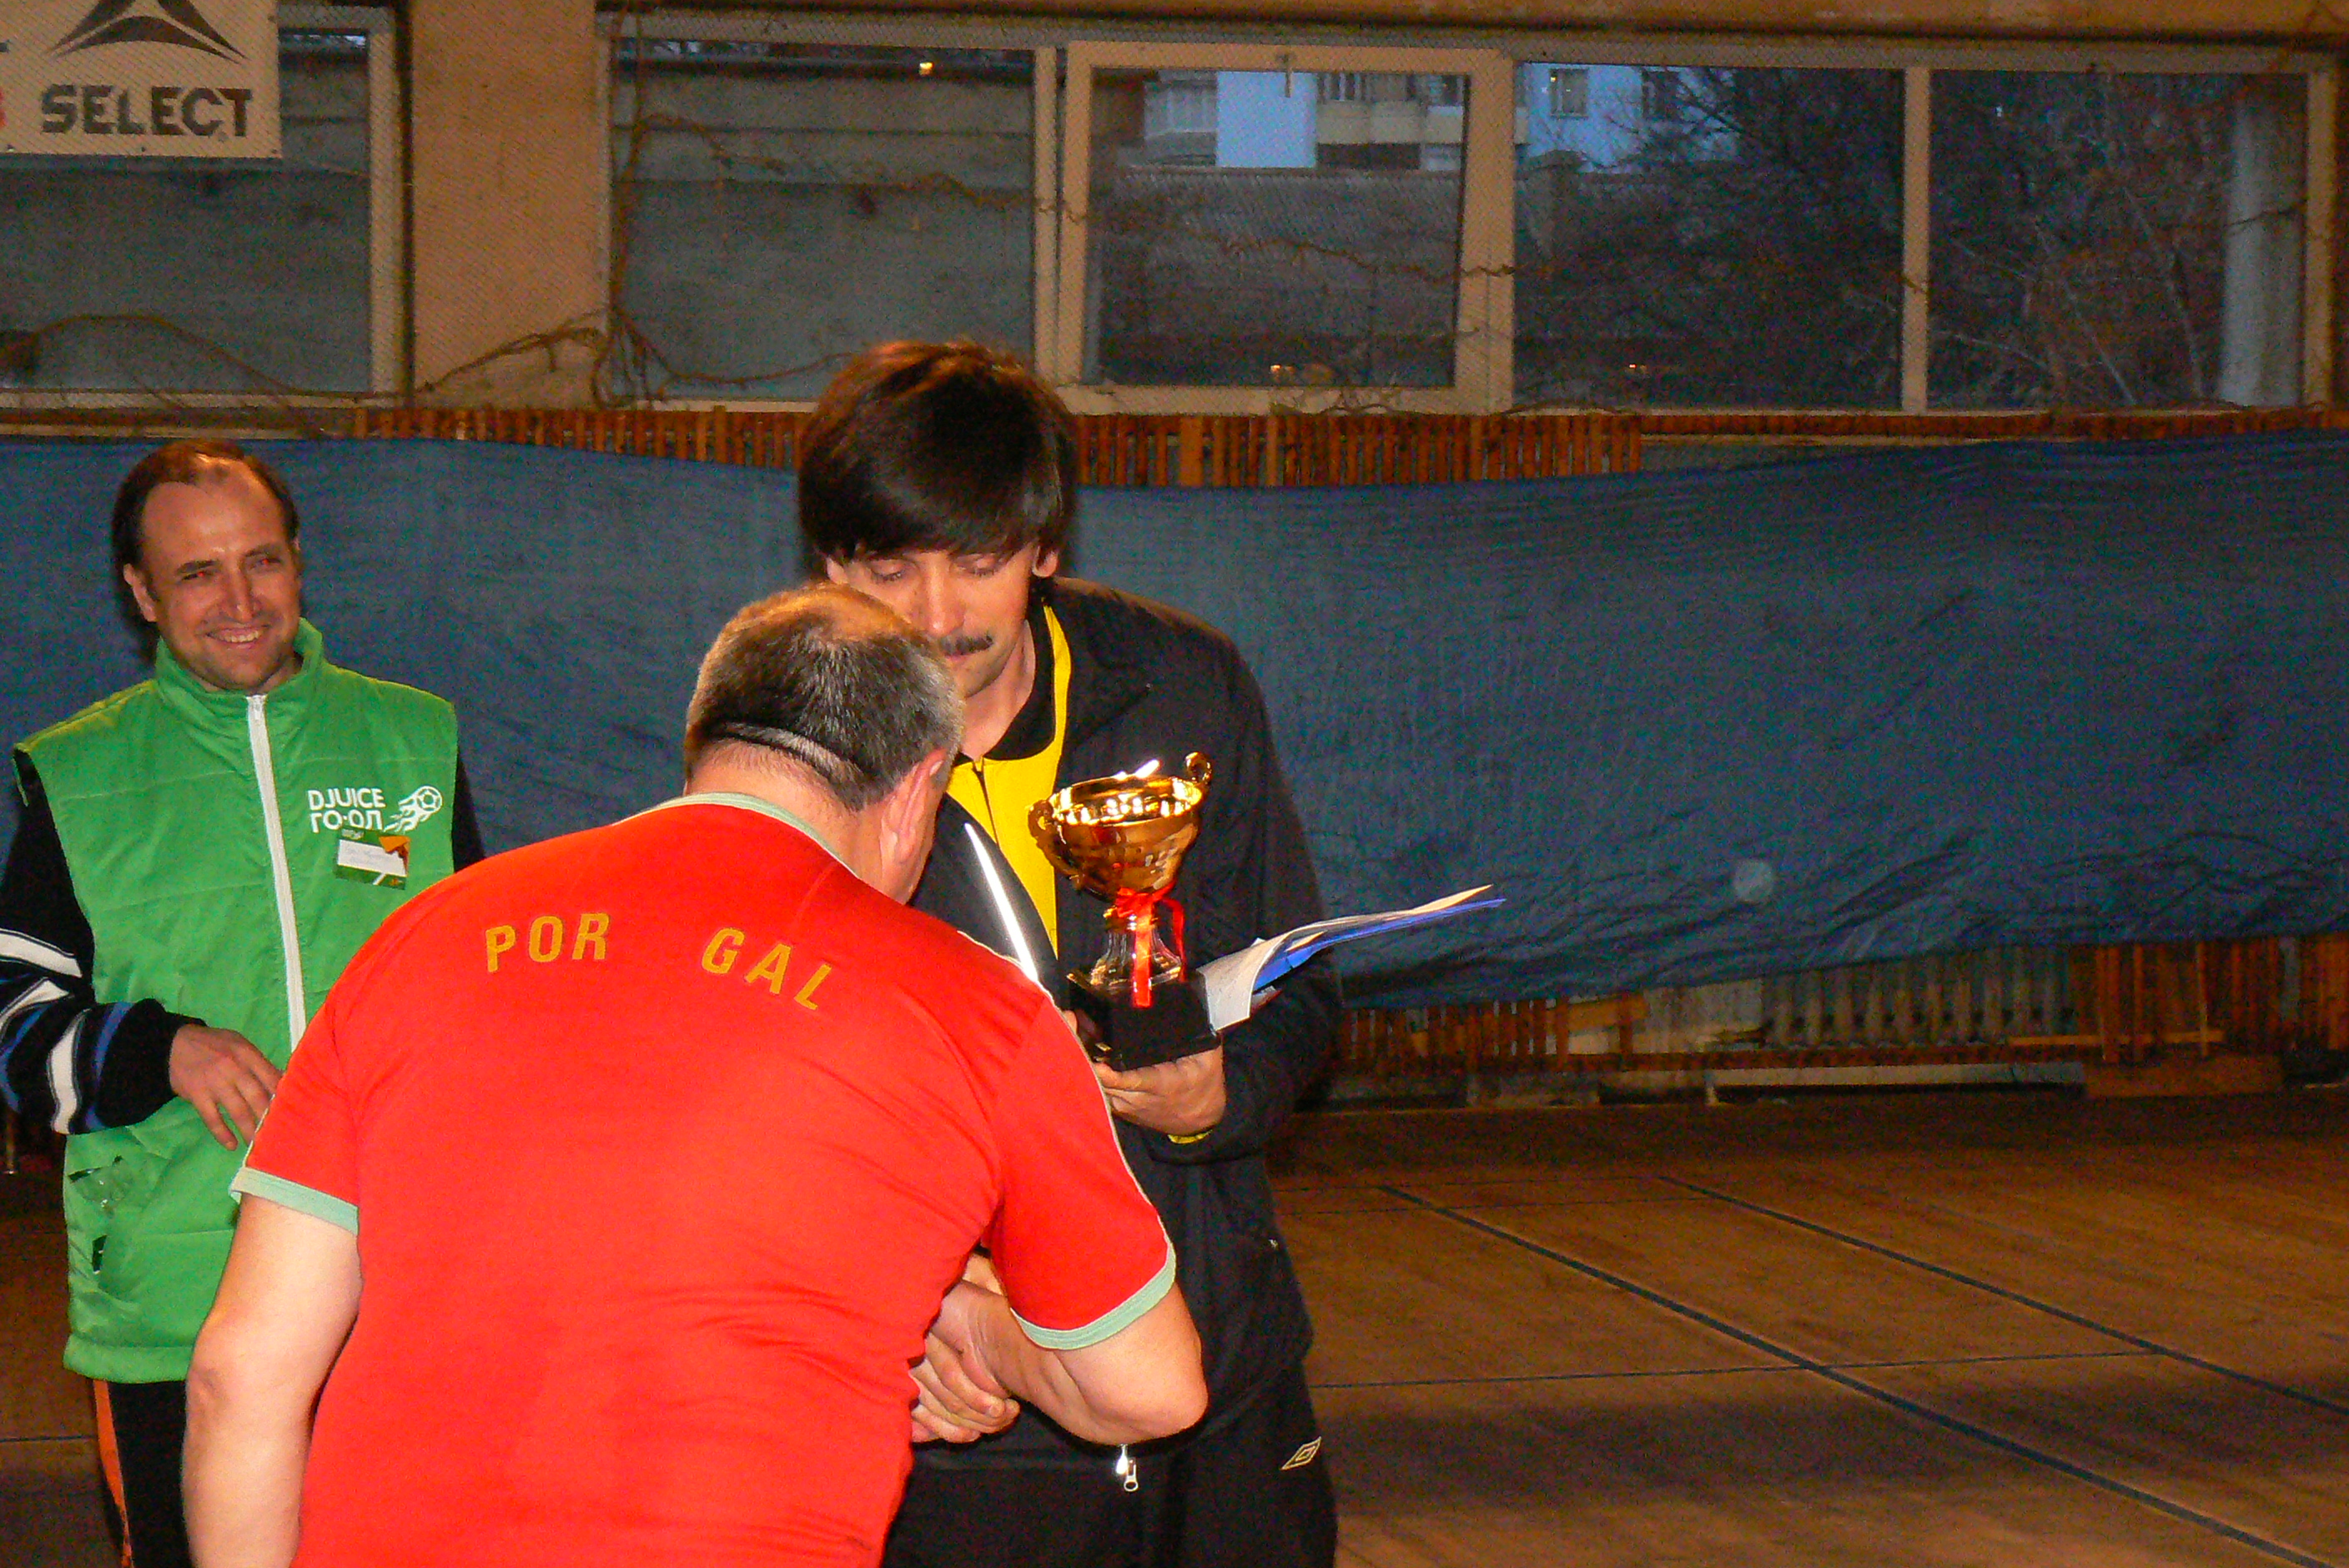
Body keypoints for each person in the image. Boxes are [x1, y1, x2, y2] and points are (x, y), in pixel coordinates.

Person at [183, 584, 1208, 1568]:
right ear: (915, 789)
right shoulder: (977, 1010)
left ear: (704, 744)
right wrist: (974, 1323)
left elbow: (240, 1374)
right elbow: (1149, 1389)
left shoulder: (418, 938)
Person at [802, 341, 1340, 1568]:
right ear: (833, 565)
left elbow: (1302, 986)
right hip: (967, 1408)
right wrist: (920, 1300)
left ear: (1044, 545)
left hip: (1224, 1378)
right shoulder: (791, 746)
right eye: (890, 569)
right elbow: (754, 1098)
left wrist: (1223, 1096)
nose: (938, 616)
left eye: (978, 561)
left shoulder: (1184, 689)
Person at [0, 440, 480, 1568]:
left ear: (299, 561)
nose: (240, 600)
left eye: (261, 561)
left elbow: (479, 989)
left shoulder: (414, 738)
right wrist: (158, 1049)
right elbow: (15, 1029)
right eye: (197, 573)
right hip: (176, 1297)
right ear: (141, 593)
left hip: (399, 1290)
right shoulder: (80, 773)